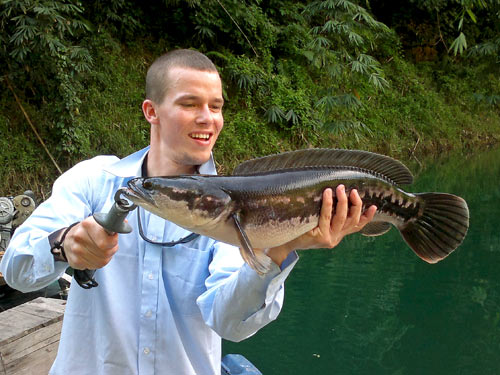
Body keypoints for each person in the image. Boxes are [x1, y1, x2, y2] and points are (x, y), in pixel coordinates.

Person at [0, 49, 376, 375]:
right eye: (189, 104)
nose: (208, 118)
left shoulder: (234, 208)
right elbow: (15, 270)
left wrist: (277, 250)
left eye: (216, 106)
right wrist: (63, 245)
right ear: (152, 111)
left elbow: (229, 321)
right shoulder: (92, 180)